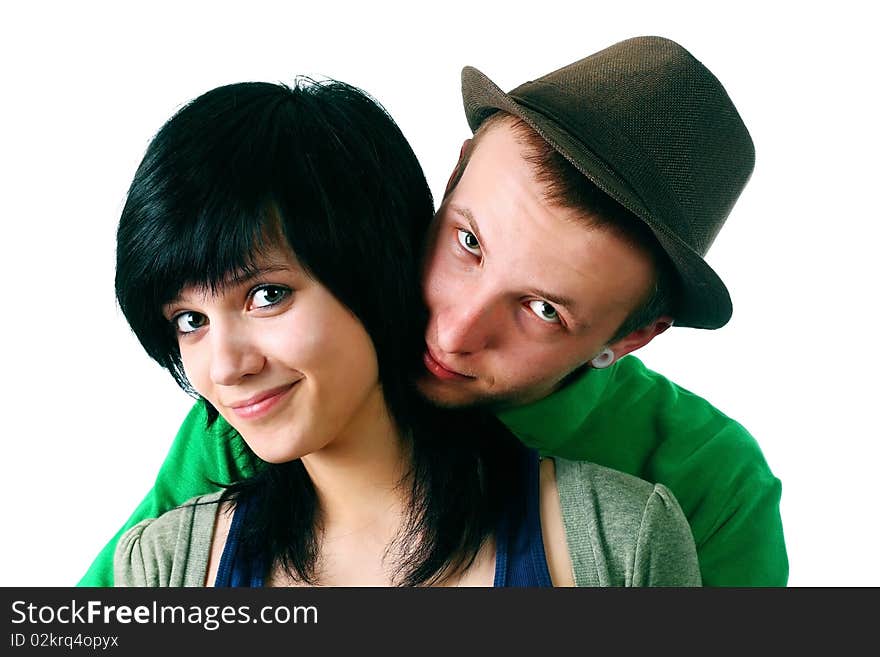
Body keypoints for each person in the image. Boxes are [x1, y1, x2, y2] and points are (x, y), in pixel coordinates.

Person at [83, 35, 786, 587]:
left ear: (630, 337)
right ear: (452, 176)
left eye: (541, 309)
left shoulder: (703, 480)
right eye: (468, 242)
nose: (452, 330)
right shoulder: (268, 404)